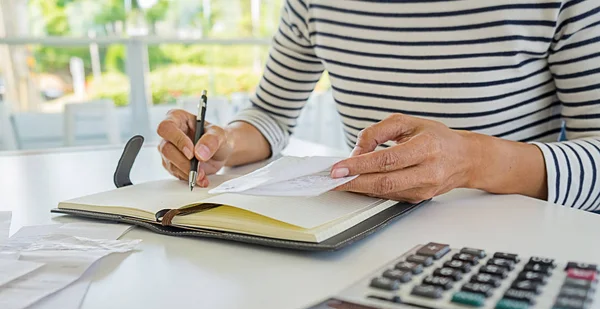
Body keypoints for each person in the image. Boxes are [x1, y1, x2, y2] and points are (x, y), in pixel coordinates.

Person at [157, 0, 600, 211]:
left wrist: (472, 160)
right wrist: (223, 143)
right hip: (356, 237)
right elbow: (271, 113)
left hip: (511, 242)